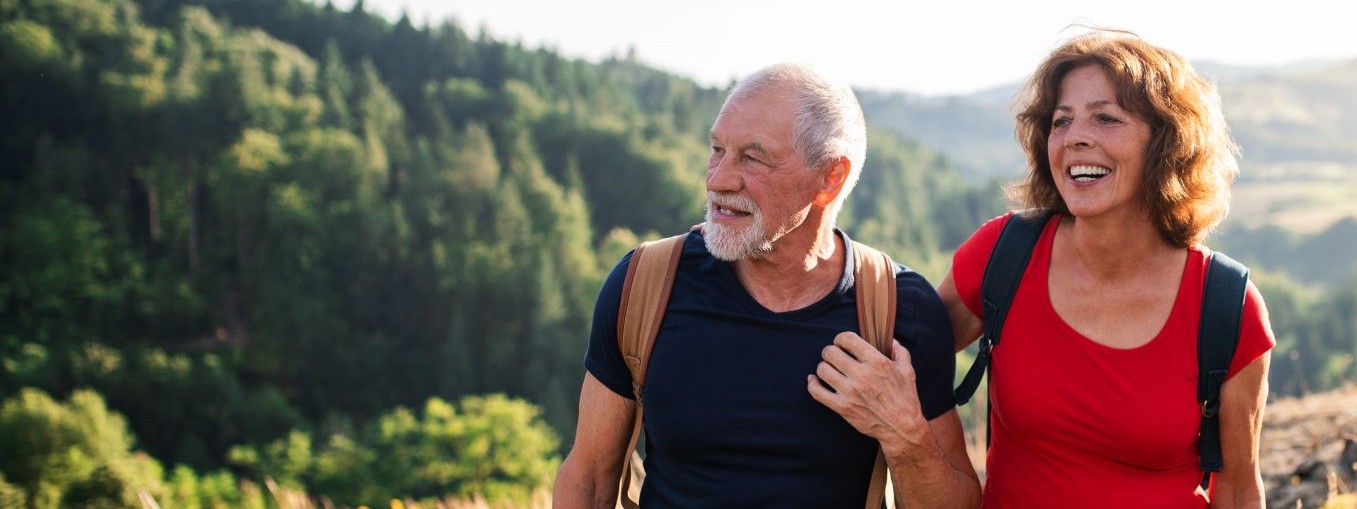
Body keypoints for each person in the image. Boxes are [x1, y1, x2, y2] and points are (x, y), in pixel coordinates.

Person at [553, 63, 981, 508]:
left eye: (752, 157)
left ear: (830, 177)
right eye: (717, 149)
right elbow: (588, 477)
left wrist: (906, 437)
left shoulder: (899, 310)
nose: (718, 179)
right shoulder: (644, 284)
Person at [936, 30, 1274, 508]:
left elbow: (1238, 491)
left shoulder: (1227, 304)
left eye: (1106, 118)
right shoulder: (1003, 254)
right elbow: (903, 362)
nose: (1076, 137)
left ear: (1166, 143)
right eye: (1062, 121)